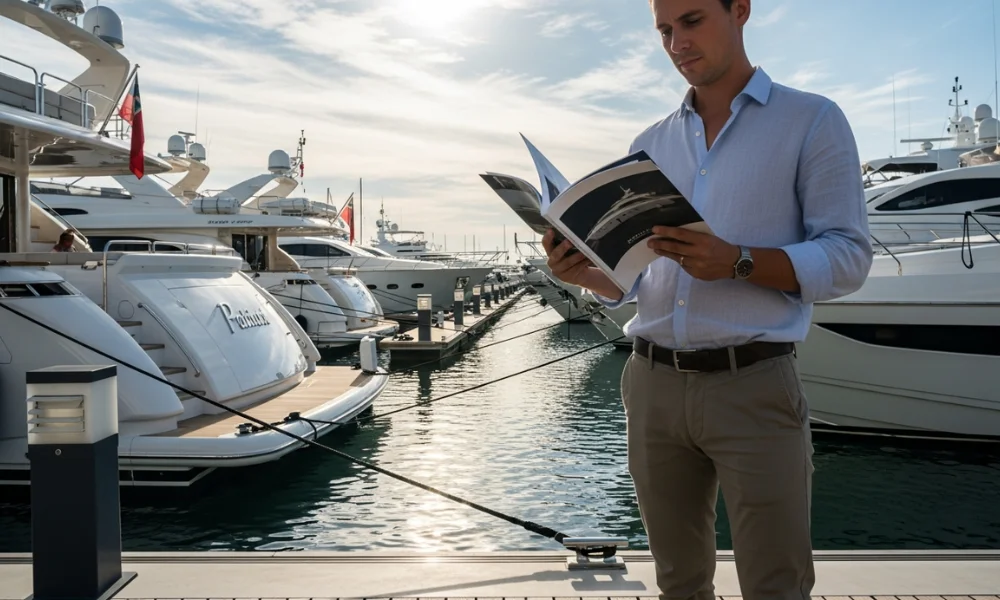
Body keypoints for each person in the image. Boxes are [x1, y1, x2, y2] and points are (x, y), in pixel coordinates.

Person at [541, 1, 873, 600]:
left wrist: (740, 260)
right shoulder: (650, 143)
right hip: (651, 384)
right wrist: (584, 273)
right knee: (678, 584)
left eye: (691, 21)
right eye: (664, 31)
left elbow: (849, 256)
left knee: (777, 585)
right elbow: (638, 283)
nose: (676, 44)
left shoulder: (812, 121)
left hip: (754, 382)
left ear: (740, 9)